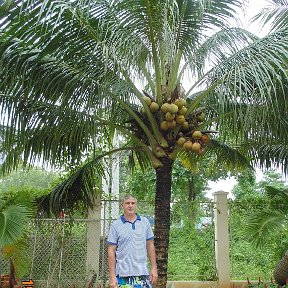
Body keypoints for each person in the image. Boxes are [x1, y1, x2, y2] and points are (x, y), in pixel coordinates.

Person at [107, 195, 158, 288]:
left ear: (136, 205)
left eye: (133, 203)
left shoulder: (145, 222)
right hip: (122, 275)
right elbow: (111, 250)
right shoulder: (115, 225)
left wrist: (154, 268)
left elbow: (150, 245)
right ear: (122, 205)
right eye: (127, 203)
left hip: (142, 274)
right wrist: (112, 276)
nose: (130, 205)